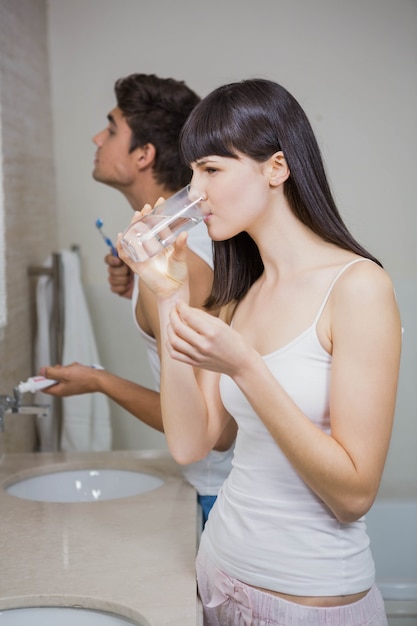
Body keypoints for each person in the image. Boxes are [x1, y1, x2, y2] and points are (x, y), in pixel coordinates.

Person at [116, 78, 402, 625]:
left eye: (212, 169)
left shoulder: (358, 287)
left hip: (306, 601)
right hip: (219, 576)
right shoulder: (239, 296)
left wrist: (246, 368)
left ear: (276, 168)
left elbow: (354, 495)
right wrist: (170, 295)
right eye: (193, 171)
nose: (194, 192)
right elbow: (190, 442)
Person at [40, 73, 235, 526]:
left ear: (144, 154)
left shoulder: (181, 263)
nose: (97, 136)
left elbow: (211, 429)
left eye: (111, 128)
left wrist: (99, 381)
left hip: (218, 495)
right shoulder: (175, 244)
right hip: (212, 488)